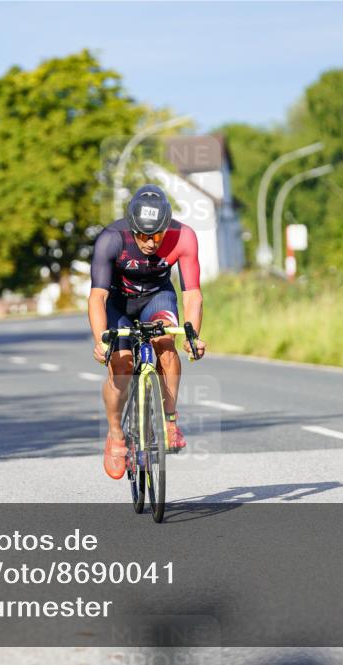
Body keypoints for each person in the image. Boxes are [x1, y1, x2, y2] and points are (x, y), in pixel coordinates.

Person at [88, 184, 207, 479]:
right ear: (132, 227)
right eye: (143, 234)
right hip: (118, 302)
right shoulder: (111, 239)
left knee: (166, 344)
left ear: (166, 227)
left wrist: (192, 337)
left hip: (157, 297)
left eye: (157, 234)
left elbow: (192, 294)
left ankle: (169, 421)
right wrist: (101, 340)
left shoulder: (184, 237)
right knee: (122, 366)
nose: (151, 242)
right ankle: (116, 435)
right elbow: (97, 297)